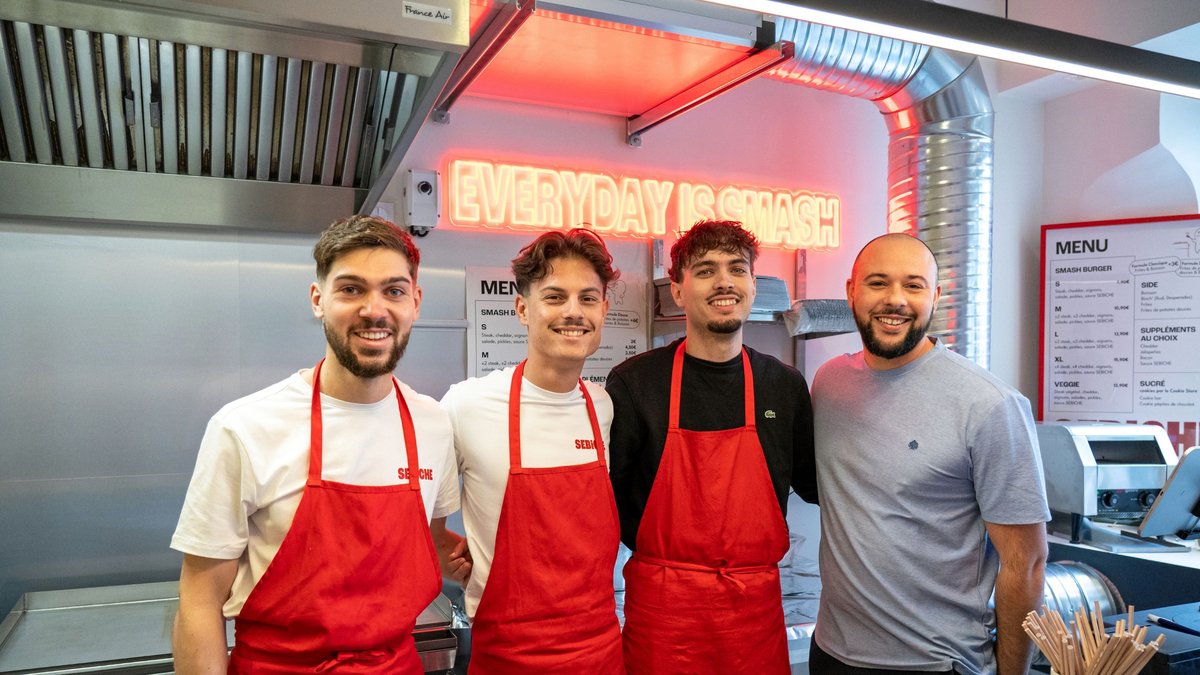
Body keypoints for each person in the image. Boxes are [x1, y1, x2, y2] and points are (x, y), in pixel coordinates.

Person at [170, 215, 470, 674]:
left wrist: (496, 558)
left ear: (415, 302)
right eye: (351, 289)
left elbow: (431, 543)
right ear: (318, 300)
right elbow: (198, 601)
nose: (374, 310)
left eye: (393, 291)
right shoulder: (245, 427)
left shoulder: (432, 423)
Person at [810, 233, 1049, 675]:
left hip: (936, 662)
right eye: (878, 282)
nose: (895, 299)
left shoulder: (989, 404)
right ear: (851, 291)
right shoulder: (829, 383)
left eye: (914, 285)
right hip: (831, 653)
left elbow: (1027, 564)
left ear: (935, 296)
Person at [607, 219, 817, 675]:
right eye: (705, 270)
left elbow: (820, 486)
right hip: (663, 617)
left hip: (754, 617)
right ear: (678, 291)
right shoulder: (635, 384)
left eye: (737, 269)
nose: (724, 281)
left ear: (753, 286)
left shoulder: (784, 386)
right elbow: (606, 503)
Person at [440, 228, 624, 674]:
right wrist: (454, 556)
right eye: (555, 297)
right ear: (523, 308)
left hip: (600, 651)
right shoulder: (467, 404)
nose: (573, 312)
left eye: (587, 298)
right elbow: (416, 514)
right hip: (508, 655)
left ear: (603, 309)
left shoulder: (601, 406)